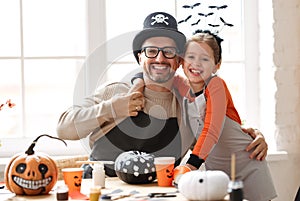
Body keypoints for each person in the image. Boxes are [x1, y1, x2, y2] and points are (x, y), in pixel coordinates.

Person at [56, 11, 268, 178]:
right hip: (102, 191)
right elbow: (64, 128)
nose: (160, 58)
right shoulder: (116, 91)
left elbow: (213, 137)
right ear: (140, 58)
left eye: (168, 51)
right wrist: (112, 108)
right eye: (151, 51)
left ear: (178, 62)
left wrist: (249, 136)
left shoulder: (187, 108)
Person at [134, 30, 277, 200]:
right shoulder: (181, 85)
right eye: (191, 57)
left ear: (217, 65)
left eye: (205, 59)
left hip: (248, 163)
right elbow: (148, 74)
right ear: (181, 61)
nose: (196, 64)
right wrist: (136, 84)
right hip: (217, 172)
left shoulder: (216, 84)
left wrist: (191, 165)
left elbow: (211, 129)